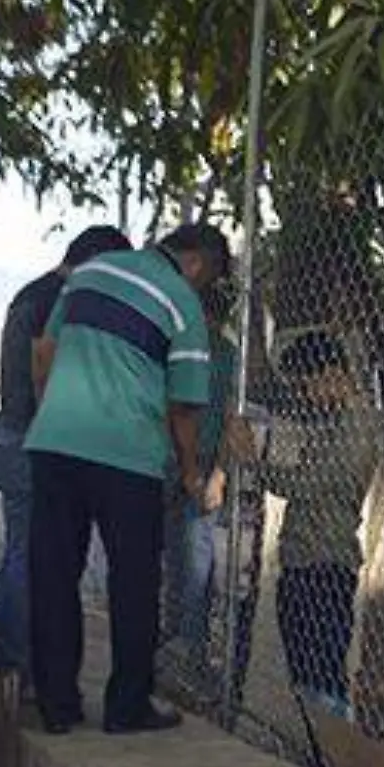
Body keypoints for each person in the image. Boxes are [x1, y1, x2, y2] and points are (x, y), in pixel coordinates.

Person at [26, 222, 231, 735]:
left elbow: (45, 353)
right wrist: (189, 474)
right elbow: (183, 407)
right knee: (134, 583)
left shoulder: (89, 272)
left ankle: (57, 705)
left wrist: (55, 412)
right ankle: (126, 707)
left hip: (55, 444)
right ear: (200, 264)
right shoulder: (182, 300)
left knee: (54, 576)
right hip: (127, 455)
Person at [0, 224, 132, 679]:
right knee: (32, 556)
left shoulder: (32, 293)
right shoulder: (59, 299)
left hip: (10, 433)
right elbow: (45, 370)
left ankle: (9, 661)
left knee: (22, 551)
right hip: (33, 439)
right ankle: (15, 663)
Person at [262, 331, 384, 718]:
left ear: (331, 372)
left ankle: (335, 752)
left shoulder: (360, 422)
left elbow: (314, 484)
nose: (304, 396)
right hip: (304, 555)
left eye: (305, 384)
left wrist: (257, 463)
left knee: (323, 675)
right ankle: (320, 748)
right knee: (305, 673)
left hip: (327, 559)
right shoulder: (333, 422)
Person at [162, 286, 246, 672]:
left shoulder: (222, 355)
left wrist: (215, 474)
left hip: (191, 462)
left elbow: (231, 418)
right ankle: (180, 634)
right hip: (181, 463)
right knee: (184, 554)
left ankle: (188, 638)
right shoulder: (197, 351)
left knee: (192, 555)